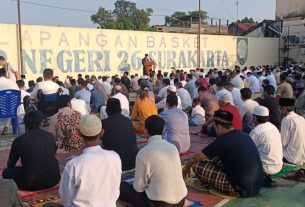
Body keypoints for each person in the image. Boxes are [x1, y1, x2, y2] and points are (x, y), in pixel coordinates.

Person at [183, 110, 264, 197]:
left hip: (241, 189)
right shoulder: (243, 135)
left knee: (197, 165)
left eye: (215, 126)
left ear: (220, 128)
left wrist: (186, 168)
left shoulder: (222, 141)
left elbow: (196, 158)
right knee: (215, 158)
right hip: (257, 185)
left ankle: (207, 184)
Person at [53, 115, 122, 207]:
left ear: (78, 133)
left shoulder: (73, 165)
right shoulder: (114, 156)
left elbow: (66, 199)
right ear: (102, 132)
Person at [120, 115, 187, 207]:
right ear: (163, 130)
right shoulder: (173, 147)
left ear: (145, 130)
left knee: (122, 187)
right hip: (181, 201)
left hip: (160, 204)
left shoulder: (143, 153)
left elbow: (138, 188)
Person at [2, 110, 60, 191]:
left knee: (6, 172)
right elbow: (52, 153)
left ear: (25, 124)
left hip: (32, 184)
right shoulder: (50, 136)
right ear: (41, 123)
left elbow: (11, 163)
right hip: (54, 179)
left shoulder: (20, 140)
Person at [102, 98, 138, 171]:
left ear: (107, 110)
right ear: (120, 109)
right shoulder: (128, 121)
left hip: (116, 164)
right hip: (133, 161)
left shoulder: (104, 123)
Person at [250, 106, 283, 175]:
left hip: (265, 168)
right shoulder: (273, 127)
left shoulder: (256, 131)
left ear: (255, 118)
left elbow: (246, 149)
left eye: (253, 117)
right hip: (279, 166)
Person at [279, 98, 305, 165]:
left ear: (284, 109)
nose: (279, 111)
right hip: (302, 156)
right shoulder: (301, 118)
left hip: (292, 158)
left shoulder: (287, 119)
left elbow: (283, 142)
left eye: (280, 109)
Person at [0, 68, 19, 135]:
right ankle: (6, 127)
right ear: (5, 74)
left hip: (1, 110)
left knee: (5, 104)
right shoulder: (13, 83)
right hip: (12, 110)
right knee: (11, 105)